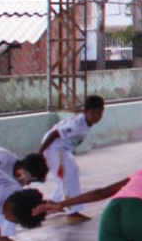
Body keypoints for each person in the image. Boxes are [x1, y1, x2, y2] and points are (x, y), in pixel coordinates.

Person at [39, 94, 106, 223]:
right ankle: (72, 211)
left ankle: (54, 203)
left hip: (62, 149)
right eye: (93, 113)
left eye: (100, 113)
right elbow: (54, 134)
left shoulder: (85, 123)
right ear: (85, 112)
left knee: (71, 174)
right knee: (68, 176)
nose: (97, 116)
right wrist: (41, 152)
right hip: (55, 148)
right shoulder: (77, 125)